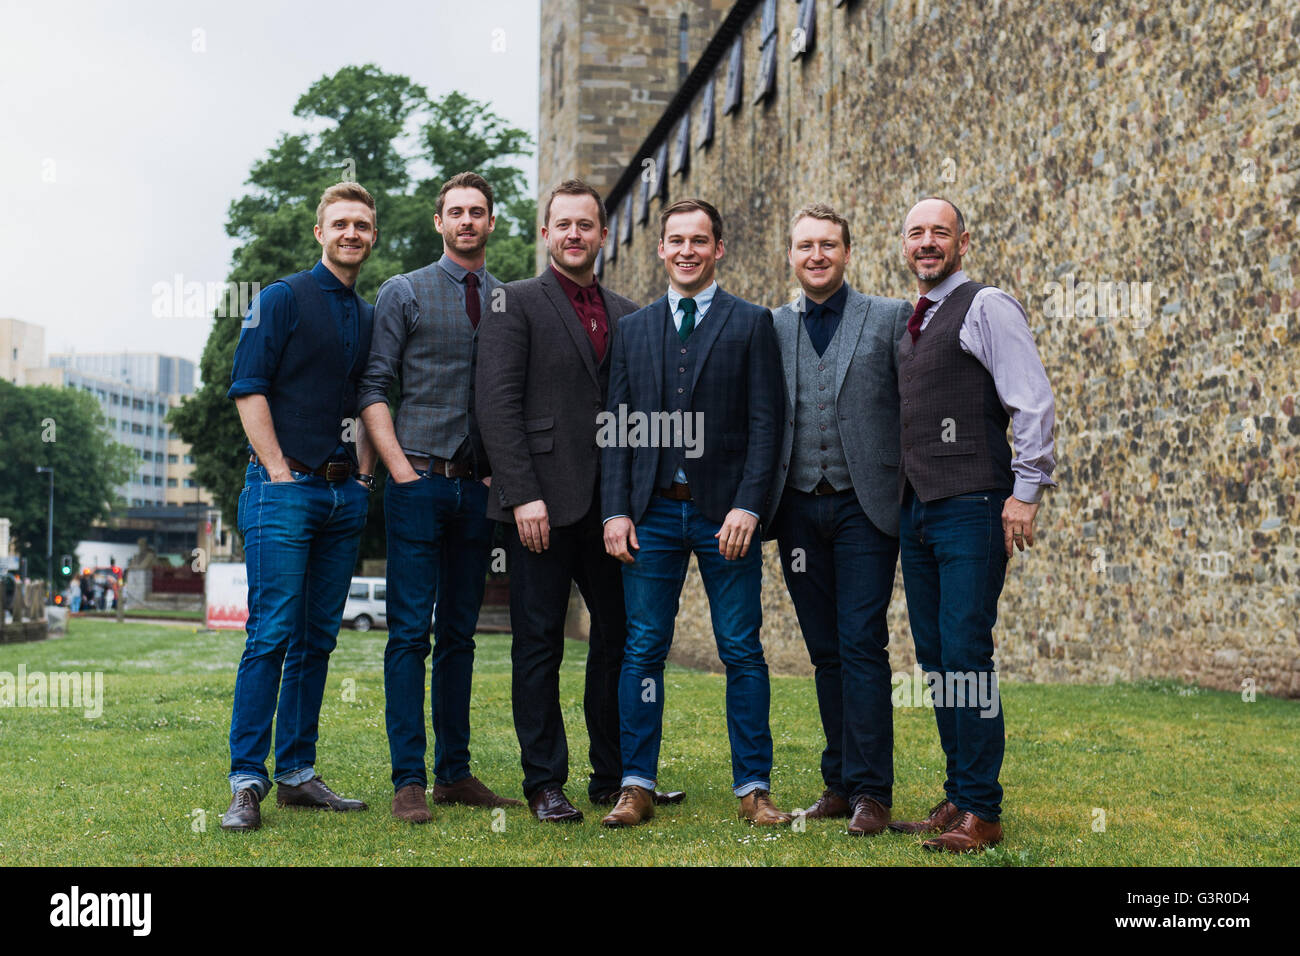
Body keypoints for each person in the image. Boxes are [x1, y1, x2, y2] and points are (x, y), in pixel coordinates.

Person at [477, 179, 683, 823]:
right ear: (546, 234)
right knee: (538, 644)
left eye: (585, 225)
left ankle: (617, 776)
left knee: (619, 641)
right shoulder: (514, 303)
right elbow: (497, 406)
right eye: (562, 224)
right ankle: (544, 781)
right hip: (538, 508)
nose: (574, 235)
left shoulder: (629, 313)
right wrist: (522, 496)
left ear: (601, 234)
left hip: (613, 509)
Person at [600, 198, 789, 828]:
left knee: (741, 649)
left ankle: (754, 787)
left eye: (699, 241)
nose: (687, 251)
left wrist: (748, 506)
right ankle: (636, 784)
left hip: (723, 517)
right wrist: (615, 512)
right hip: (650, 513)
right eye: (676, 240)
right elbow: (619, 430)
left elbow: (768, 426)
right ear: (661, 248)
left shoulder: (752, 323)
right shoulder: (633, 330)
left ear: (719, 249)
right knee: (643, 650)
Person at [891, 196, 1057, 852]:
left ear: (964, 240)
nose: (927, 243)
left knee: (966, 653)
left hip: (975, 506)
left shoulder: (987, 305)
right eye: (916, 234)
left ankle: (982, 812)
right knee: (937, 660)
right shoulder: (914, 320)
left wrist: (1027, 491)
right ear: (905, 246)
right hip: (918, 510)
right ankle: (959, 794)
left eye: (940, 232)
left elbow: (1033, 401)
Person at [359, 172, 521, 823]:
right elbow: (372, 385)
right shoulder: (404, 292)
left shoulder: (512, 301)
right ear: (438, 222)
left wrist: (497, 477)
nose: (467, 221)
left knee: (460, 634)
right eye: (456, 212)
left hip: (477, 493)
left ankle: (454, 773)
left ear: (490, 221)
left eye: (477, 212)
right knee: (409, 635)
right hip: (417, 483)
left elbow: (516, 399)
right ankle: (408, 779)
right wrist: (398, 470)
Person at [221, 181, 379, 832]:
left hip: (344, 497)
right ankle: (245, 782)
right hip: (281, 493)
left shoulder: (369, 317)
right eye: (340, 223)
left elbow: (370, 401)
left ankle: (297, 774)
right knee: (271, 634)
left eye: (362, 226)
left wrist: (364, 480)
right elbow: (247, 388)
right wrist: (282, 474)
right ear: (320, 232)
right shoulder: (280, 299)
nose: (351, 234)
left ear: (372, 237)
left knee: (317, 640)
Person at [765, 203, 912, 835]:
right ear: (791, 255)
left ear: (847, 253)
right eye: (805, 246)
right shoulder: (769, 327)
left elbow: (917, 402)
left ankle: (873, 793)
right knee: (825, 650)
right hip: (797, 508)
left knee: (861, 644)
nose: (816, 255)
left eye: (828, 245)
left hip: (865, 505)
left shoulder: (888, 317)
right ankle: (838, 782)